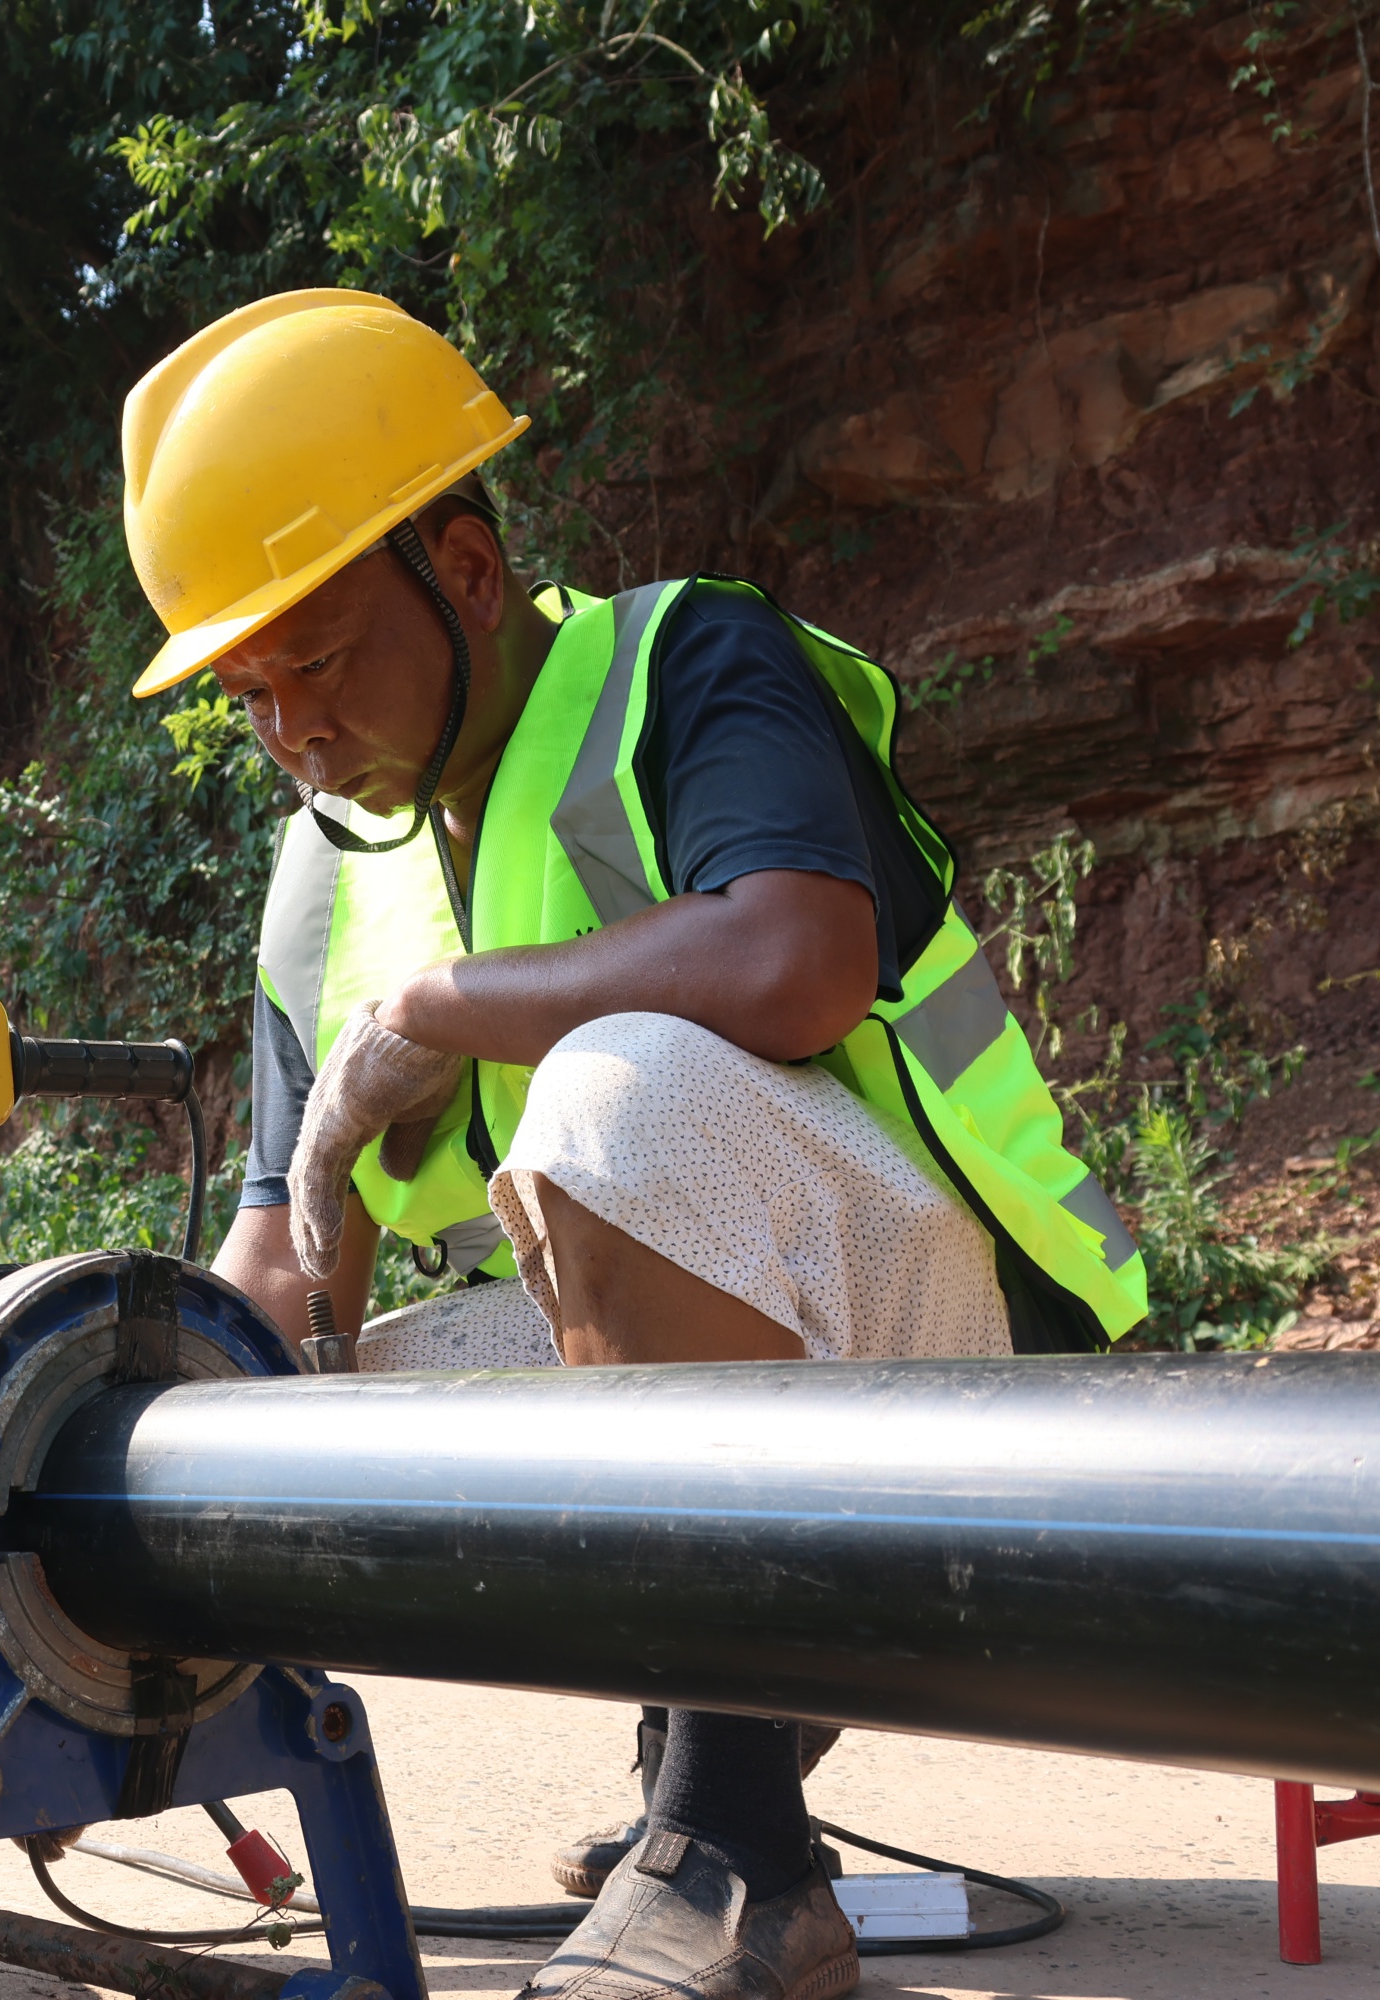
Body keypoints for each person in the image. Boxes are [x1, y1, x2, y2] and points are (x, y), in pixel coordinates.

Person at [119, 291, 1147, 2000]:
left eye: (319, 661)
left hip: (964, 1369)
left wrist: (449, 1007)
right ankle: (710, 1747)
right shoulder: (329, 883)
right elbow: (269, 1267)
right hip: (741, 1371)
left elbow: (794, 960)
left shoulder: (683, 662)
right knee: (244, 1382)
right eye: (251, 691)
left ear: (460, 570)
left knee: (618, 1094)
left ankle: (738, 1846)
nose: (292, 727)